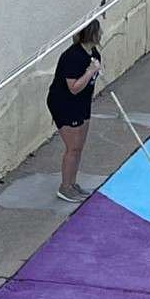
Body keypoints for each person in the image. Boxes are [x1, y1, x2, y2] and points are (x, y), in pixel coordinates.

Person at [47, 20, 102, 203]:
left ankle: (72, 183)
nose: (102, 34)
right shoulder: (72, 57)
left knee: (79, 147)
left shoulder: (94, 54)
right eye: (99, 31)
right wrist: (90, 71)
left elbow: (89, 85)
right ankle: (65, 188)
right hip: (64, 103)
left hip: (82, 104)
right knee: (73, 147)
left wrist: (94, 72)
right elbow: (74, 88)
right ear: (92, 34)